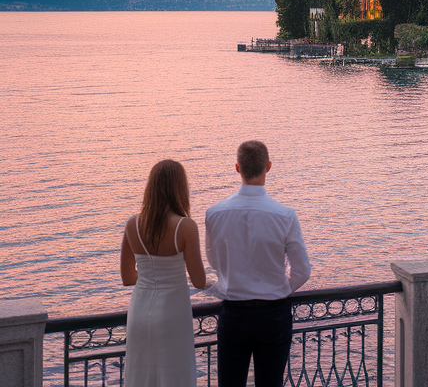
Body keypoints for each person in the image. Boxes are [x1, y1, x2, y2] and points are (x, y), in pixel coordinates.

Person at [205, 141, 311, 387]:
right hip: (273, 314)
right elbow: (302, 270)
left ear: (237, 168)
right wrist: (280, 288)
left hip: (234, 313)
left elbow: (213, 261)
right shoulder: (284, 215)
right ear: (269, 167)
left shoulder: (215, 213)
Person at [120, 159, 208, 387]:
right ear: (180, 188)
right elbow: (199, 281)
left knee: (141, 377)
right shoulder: (185, 226)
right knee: (175, 376)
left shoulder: (132, 225)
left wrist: (151, 279)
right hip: (172, 314)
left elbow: (128, 278)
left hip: (139, 312)